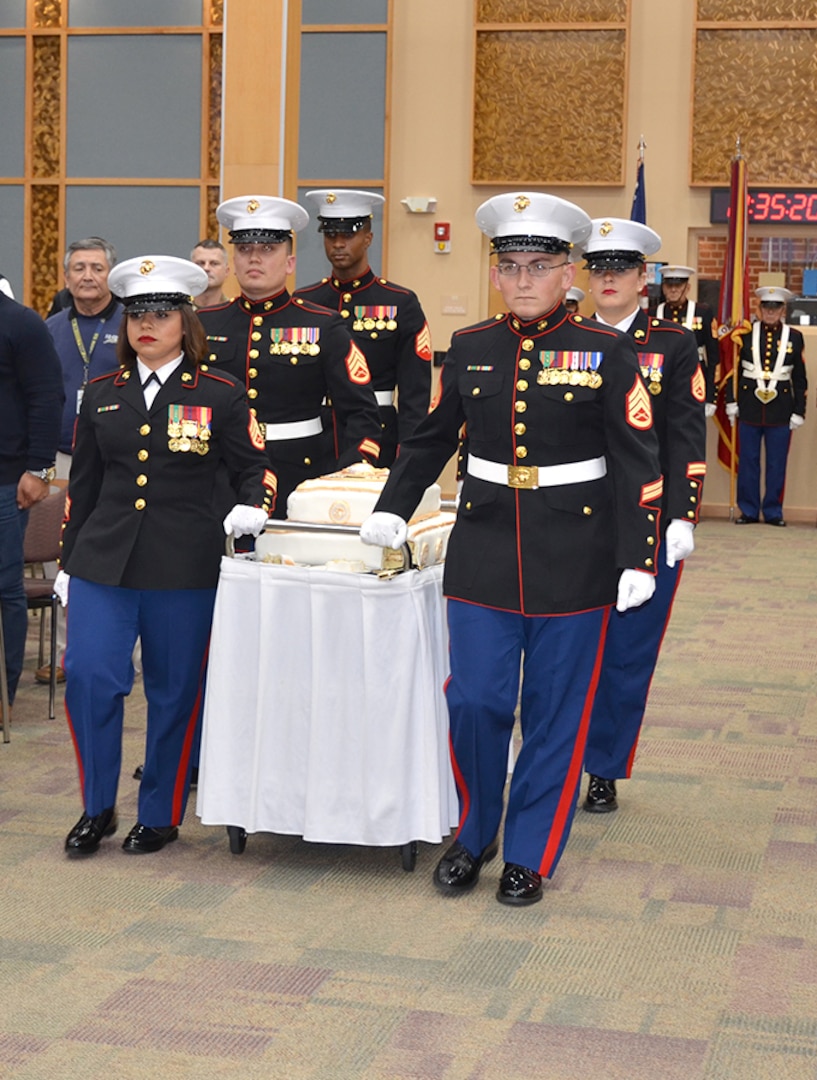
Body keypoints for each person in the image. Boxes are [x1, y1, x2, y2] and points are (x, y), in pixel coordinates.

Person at [360, 192, 663, 906]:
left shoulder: (608, 352)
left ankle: (529, 851)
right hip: (486, 545)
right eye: (510, 266)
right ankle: (475, 832)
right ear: (494, 274)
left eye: (539, 265)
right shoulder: (470, 348)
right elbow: (431, 437)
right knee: (474, 701)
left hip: (576, 553)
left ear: (567, 274)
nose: (523, 279)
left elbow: (638, 460)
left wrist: (637, 557)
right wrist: (390, 510)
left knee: (555, 714)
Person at [59, 255, 276, 857]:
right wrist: (67, 564)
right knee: (89, 678)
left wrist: (252, 506)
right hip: (105, 563)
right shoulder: (102, 393)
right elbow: (84, 486)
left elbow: (254, 467)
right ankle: (96, 806)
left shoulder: (220, 392)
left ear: (186, 320)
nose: (145, 324)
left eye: (159, 313)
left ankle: (158, 811)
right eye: (135, 314)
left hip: (183, 565)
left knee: (175, 690)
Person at [580, 218, 707, 813]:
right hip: (572, 518)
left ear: (642, 277)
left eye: (621, 269)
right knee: (568, 646)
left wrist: (683, 514)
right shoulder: (565, 338)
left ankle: (603, 765)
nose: (608, 279)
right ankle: (557, 756)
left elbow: (684, 435)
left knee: (628, 651)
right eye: (598, 269)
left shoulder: (675, 346)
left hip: (649, 518)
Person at [197, 195, 383, 516]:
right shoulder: (204, 324)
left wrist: (351, 473)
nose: (254, 258)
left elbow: (360, 412)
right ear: (233, 263)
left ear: (290, 262)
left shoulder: (323, 324)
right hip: (218, 475)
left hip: (299, 476)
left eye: (268, 249)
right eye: (244, 249)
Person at [294, 189, 432, 466]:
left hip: (379, 435)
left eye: (348, 235)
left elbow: (414, 393)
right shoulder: (304, 302)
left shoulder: (399, 302)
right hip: (314, 436)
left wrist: (411, 456)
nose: (338, 244)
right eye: (331, 235)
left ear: (368, 238)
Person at [0, 291, 64, 716]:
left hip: (6, 481)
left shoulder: (22, 323)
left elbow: (46, 397)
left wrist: (39, 469)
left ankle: (1, 696)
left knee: (4, 590)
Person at [725, 285, 807, 526]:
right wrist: (731, 401)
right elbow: (734, 371)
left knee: (776, 463)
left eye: (776, 308)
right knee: (748, 461)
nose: (770, 312)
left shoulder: (794, 337)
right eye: (766, 308)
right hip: (749, 406)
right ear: (759, 309)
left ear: (783, 310)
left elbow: (800, 378)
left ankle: (773, 511)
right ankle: (748, 510)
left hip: (781, 409)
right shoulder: (745, 335)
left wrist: (799, 411)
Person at [46, 238, 122, 480]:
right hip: (60, 456)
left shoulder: (134, 326)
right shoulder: (49, 329)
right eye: (79, 268)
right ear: (66, 279)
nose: (88, 276)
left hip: (117, 456)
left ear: (111, 277)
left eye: (97, 269)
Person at [656, 265, 719, 415]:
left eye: (678, 285)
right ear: (663, 288)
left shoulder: (703, 312)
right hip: (661, 382)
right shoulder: (653, 313)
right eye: (669, 285)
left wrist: (710, 395)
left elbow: (714, 355)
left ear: (687, 287)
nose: (673, 290)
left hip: (693, 379)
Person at [190, 238, 231, 309]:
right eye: (200, 263)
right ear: (190, 270)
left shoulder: (234, 312)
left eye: (214, 263)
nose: (206, 268)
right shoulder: (179, 312)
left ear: (226, 271)